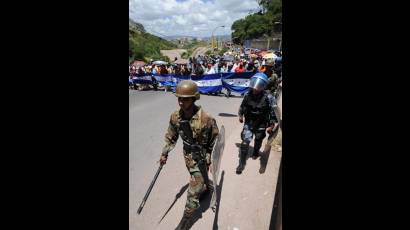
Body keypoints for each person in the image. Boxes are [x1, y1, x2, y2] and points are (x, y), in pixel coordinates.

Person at [159, 80, 219, 229]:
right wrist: (164, 154)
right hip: (187, 155)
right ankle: (206, 186)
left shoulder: (206, 119)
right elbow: (171, 136)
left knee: (192, 192)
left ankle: (185, 222)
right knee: (197, 180)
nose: (181, 102)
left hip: (202, 157)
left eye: (185, 99)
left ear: (193, 99)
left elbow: (215, 141)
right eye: (179, 98)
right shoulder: (175, 117)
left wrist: (211, 160)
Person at [236, 73, 279, 174]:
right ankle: (241, 164)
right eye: (254, 85)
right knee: (245, 142)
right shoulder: (248, 94)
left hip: (261, 123)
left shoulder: (269, 97)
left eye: (258, 86)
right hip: (249, 122)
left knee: (258, 139)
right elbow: (243, 106)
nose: (255, 89)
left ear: (263, 86)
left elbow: (273, 112)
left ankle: (256, 151)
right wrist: (240, 115)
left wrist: (271, 125)